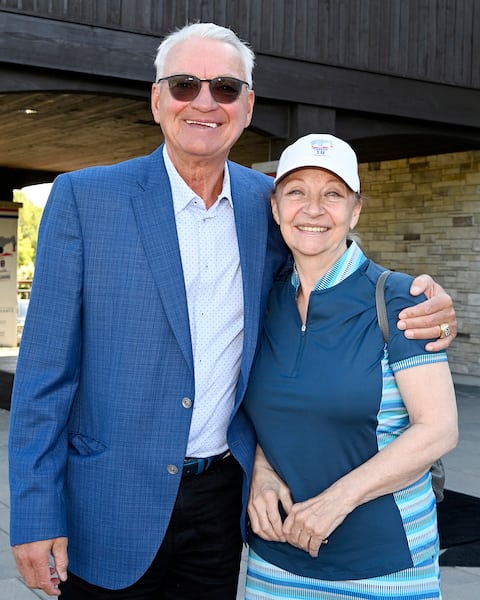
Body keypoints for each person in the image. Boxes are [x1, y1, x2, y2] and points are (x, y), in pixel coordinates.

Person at [8, 23, 456, 600]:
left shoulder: (262, 203)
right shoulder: (85, 198)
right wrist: (35, 513)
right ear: (157, 99)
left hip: (221, 504)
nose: (204, 102)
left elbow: (325, 258)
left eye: (224, 88)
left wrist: (427, 302)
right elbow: (44, 374)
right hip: (108, 502)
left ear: (247, 107)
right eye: (184, 85)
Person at [243, 134, 459, 600]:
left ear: (355, 210)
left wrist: (334, 502)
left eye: (333, 194)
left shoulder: (399, 298)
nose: (313, 209)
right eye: (296, 192)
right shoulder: (263, 300)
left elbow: (438, 430)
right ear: (276, 208)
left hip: (384, 565)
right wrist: (261, 470)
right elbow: (254, 407)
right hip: (276, 563)